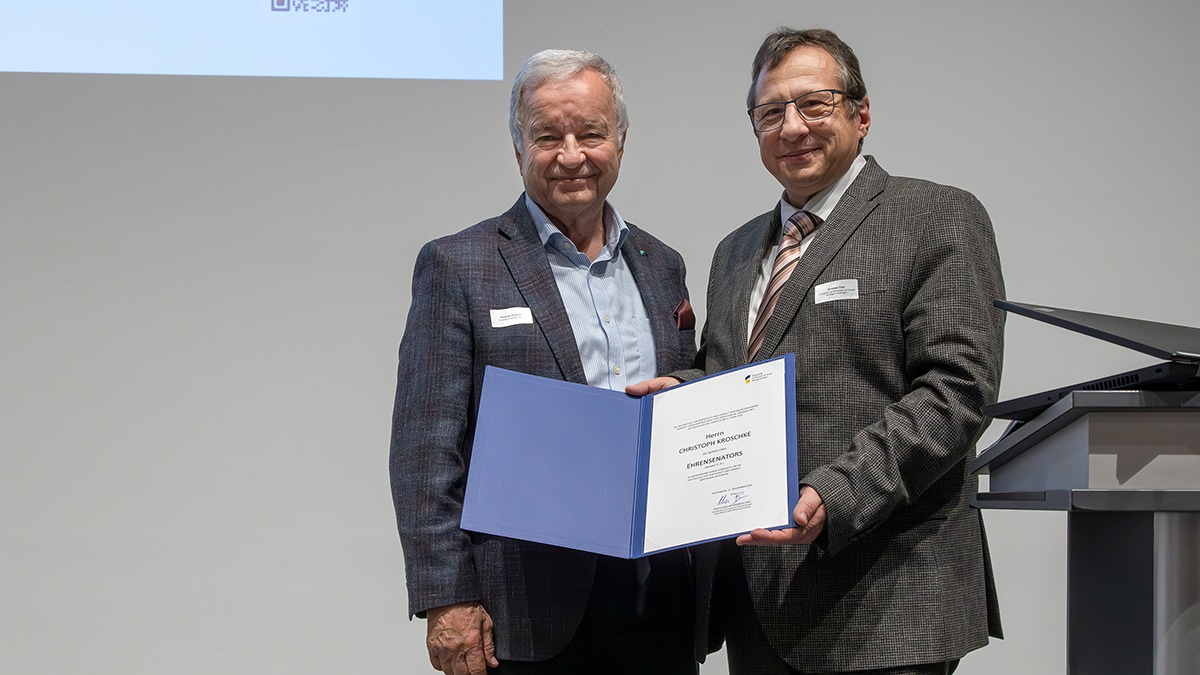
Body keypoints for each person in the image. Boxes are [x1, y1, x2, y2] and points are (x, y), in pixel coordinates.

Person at [630, 27, 1005, 674]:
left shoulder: (936, 216)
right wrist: (685, 393)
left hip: (886, 600)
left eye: (814, 104)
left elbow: (957, 390)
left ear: (861, 115)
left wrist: (835, 492)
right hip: (758, 597)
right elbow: (735, 377)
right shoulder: (735, 251)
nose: (792, 127)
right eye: (771, 112)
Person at [389, 49, 698, 675]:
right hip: (524, 610)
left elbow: (685, 392)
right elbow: (425, 450)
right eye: (547, 136)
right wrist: (446, 597)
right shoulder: (459, 265)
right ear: (517, 148)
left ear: (620, 141)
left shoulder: (662, 265)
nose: (571, 155)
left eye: (591, 133)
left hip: (658, 596)